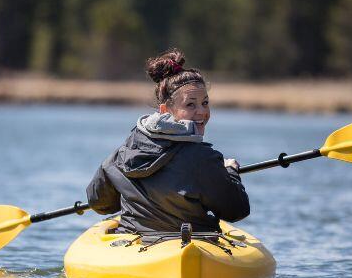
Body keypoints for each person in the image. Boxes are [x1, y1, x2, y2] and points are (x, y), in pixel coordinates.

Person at [86, 49, 250, 234]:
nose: (202, 112)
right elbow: (237, 210)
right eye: (190, 104)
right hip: (193, 245)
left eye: (205, 103)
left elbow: (99, 203)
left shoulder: (126, 151)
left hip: (133, 240)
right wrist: (230, 171)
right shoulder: (203, 159)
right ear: (165, 110)